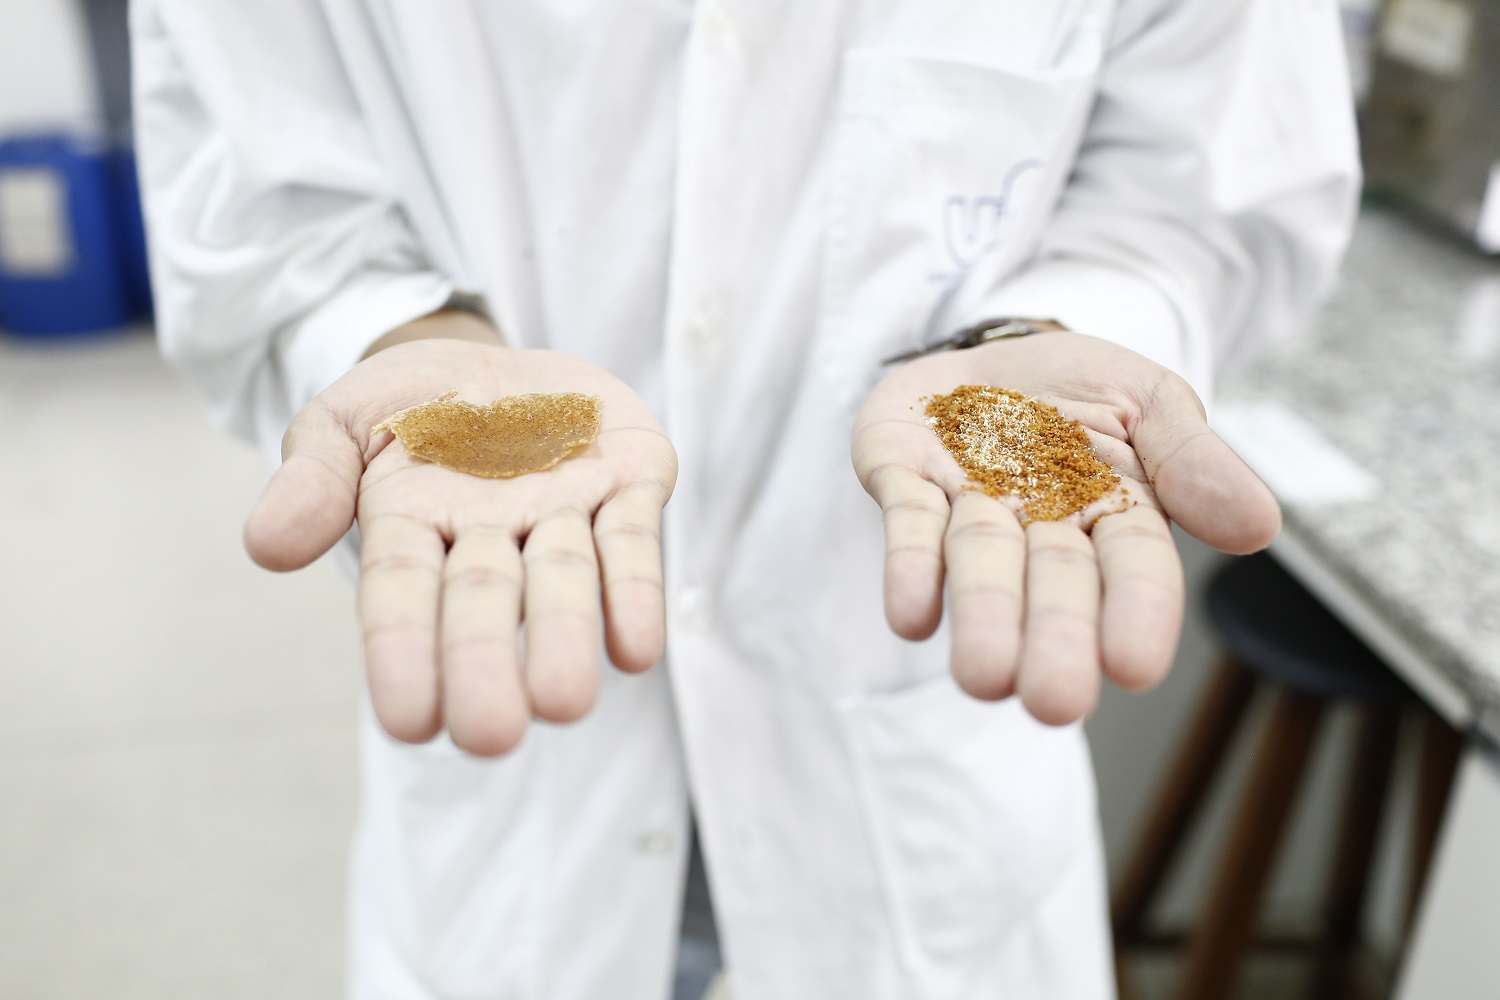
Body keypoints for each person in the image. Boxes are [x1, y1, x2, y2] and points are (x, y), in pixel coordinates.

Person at [130, 1, 1359, 997]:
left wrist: (1044, 333)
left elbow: (1210, 186)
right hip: (509, 756)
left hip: (913, 737)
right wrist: (401, 332)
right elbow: (254, 184)